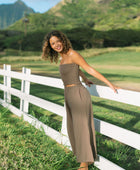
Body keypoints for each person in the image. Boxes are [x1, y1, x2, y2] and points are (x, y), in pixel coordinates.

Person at [42, 30, 119, 170]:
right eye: (52, 44)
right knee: (73, 127)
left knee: (82, 128)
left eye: (57, 42)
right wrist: (84, 78)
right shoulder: (63, 56)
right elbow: (76, 69)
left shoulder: (72, 53)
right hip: (69, 93)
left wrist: (109, 83)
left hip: (78, 93)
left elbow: (89, 68)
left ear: (62, 40)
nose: (55, 45)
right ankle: (84, 158)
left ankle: (84, 164)